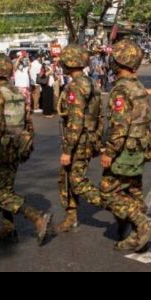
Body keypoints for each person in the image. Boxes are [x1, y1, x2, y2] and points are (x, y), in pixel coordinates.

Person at [0, 53, 51, 245]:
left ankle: (36, 218)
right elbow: (28, 123)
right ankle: (8, 229)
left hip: (2, 150)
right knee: (5, 188)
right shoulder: (17, 93)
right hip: (17, 146)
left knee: (0, 193)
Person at [99, 39, 151, 251]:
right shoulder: (138, 86)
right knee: (134, 191)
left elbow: (120, 125)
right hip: (139, 146)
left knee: (107, 193)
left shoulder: (121, 90)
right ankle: (135, 231)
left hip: (124, 150)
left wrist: (109, 152)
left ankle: (142, 223)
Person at [53, 44, 106, 232]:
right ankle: (71, 216)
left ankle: (123, 209)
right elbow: (99, 116)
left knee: (76, 180)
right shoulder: (90, 82)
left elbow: (76, 121)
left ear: (69, 62)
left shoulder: (76, 86)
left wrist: (68, 151)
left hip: (78, 140)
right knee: (66, 178)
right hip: (87, 137)